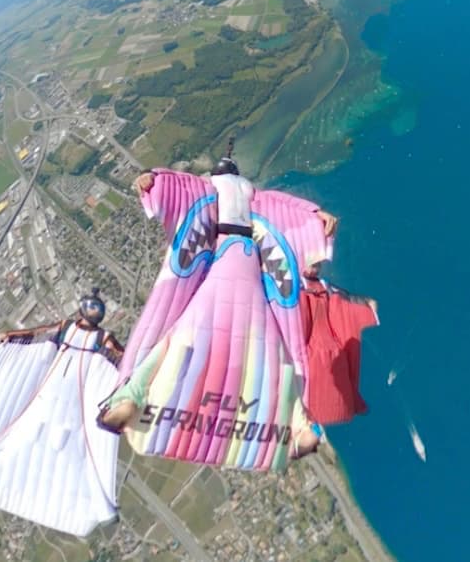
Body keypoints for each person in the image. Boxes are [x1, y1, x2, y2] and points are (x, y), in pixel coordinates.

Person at [97, 142, 338, 470]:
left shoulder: (207, 188)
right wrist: (316, 216)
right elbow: (291, 210)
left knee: (175, 340)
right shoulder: (258, 199)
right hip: (250, 270)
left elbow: (172, 184)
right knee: (273, 349)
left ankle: (132, 396)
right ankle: (300, 422)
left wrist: (149, 179)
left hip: (220, 265)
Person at [0, 289, 124, 537]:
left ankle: (94, 506)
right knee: (34, 434)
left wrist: (10, 336)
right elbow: (39, 334)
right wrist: (10, 337)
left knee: (74, 445)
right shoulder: (76, 331)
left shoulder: (91, 335)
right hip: (57, 393)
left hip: (72, 397)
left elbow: (37, 334)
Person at [299, 261, 380, 427]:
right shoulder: (291, 288)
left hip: (322, 373)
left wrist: (365, 304)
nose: (316, 264)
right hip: (314, 373)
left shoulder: (325, 288)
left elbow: (361, 305)